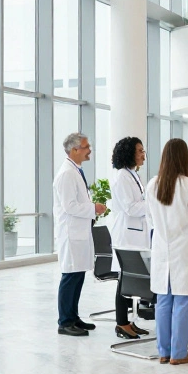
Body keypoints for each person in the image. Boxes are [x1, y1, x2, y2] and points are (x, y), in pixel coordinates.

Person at [145, 138, 188, 364]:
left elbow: (149, 219)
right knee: (183, 301)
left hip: (162, 249)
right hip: (184, 250)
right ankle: (179, 353)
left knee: (163, 301)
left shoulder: (152, 184)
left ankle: (164, 352)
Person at [53, 132, 106, 336]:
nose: (89, 150)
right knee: (70, 277)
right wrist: (94, 208)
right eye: (86, 147)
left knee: (78, 275)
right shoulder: (67, 174)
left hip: (79, 232)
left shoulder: (75, 170)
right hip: (71, 233)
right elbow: (70, 206)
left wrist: (92, 208)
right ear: (74, 150)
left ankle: (73, 317)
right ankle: (65, 322)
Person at [108, 136, 151, 340]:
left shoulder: (133, 175)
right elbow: (131, 207)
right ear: (129, 153)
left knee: (131, 279)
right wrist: (153, 203)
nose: (143, 154)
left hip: (135, 234)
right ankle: (121, 324)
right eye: (140, 151)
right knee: (124, 279)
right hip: (127, 236)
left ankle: (128, 322)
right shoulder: (122, 177)